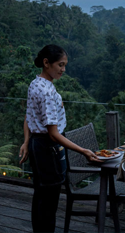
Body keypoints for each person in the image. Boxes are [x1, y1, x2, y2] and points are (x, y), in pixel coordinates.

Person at [18, 44, 101, 233]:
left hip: (37, 145)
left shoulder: (36, 83)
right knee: (49, 202)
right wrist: (83, 151)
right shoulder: (47, 92)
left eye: (65, 65)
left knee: (40, 196)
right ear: (47, 63)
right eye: (60, 65)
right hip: (49, 148)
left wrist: (26, 141)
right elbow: (54, 134)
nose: (63, 70)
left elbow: (29, 116)